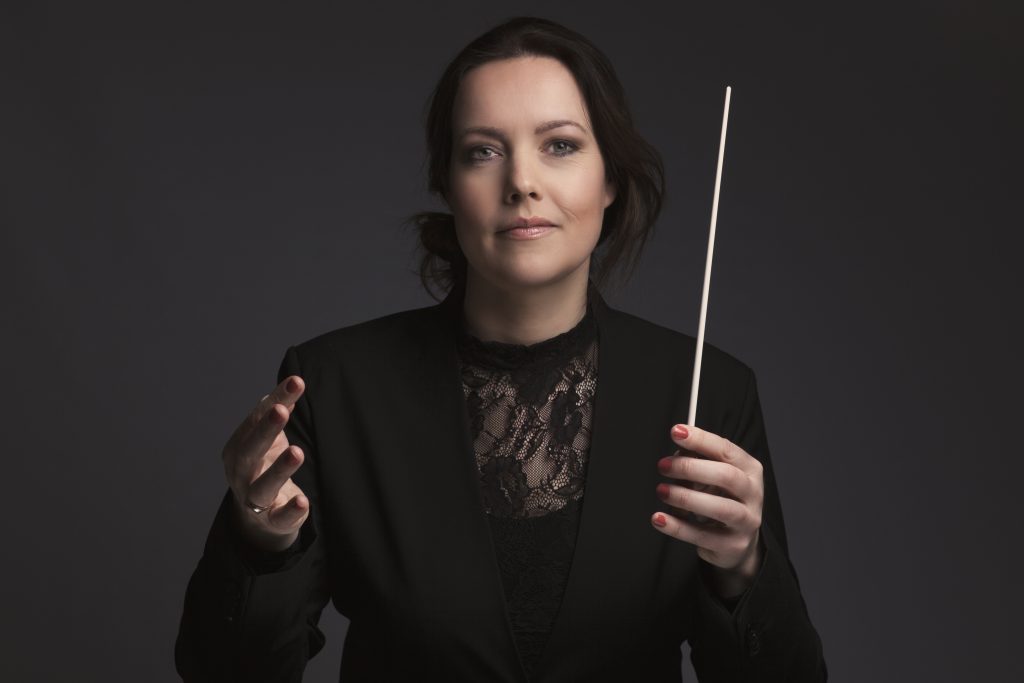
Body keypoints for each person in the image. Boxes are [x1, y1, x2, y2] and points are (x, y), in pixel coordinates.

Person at [175, 16, 827, 682]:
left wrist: (743, 566)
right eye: (483, 151)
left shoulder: (709, 391)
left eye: (560, 145)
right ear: (447, 184)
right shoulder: (334, 385)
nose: (522, 182)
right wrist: (259, 543)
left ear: (610, 178)